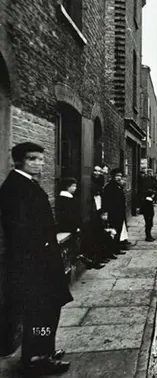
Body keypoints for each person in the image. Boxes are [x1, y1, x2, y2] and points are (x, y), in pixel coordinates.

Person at [0, 142, 72, 375]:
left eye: (41, 159)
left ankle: (44, 349)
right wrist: (42, 251)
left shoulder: (26, 183)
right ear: (19, 161)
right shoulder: (15, 187)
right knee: (40, 311)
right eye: (33, 159)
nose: (40, 163)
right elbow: (19, 229)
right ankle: (36, 357)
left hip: (41, 259)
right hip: (34, 263)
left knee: (47, 310)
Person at [103, 169, 127, 255]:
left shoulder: (118, 186)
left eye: (120, 176)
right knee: (113, 232)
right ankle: (111, 251)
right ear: (113, 177)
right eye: (117, 176)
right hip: (113, 213)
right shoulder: (109, 187)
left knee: (118, 231)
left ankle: (116, 249)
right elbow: (106, 201)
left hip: (120, 212)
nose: (119, 178)